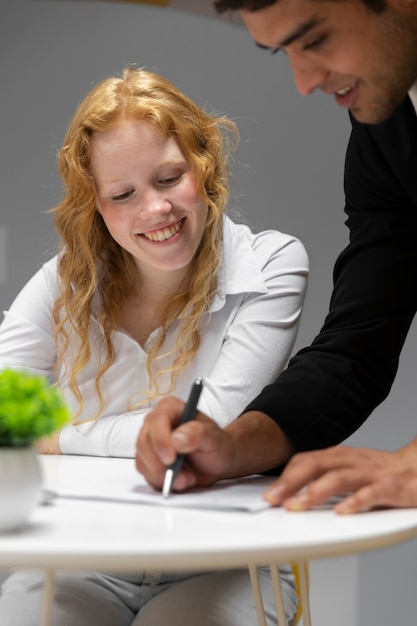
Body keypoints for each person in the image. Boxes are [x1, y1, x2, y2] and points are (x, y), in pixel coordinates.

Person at [0, 66, 308, 626]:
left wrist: (59, 437)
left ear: (203, 161)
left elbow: (202, 432)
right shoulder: (67, 278)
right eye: (123, 194)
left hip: (226, 559)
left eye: (168, 179)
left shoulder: (272, 264)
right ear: (96, 205)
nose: (155, 210)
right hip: (82, 553)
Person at [135, 0, 417, 516]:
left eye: (313, 41)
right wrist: (235, 445)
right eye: (281, 51)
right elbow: (357, 346)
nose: (304, 81)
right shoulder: (388, 132)